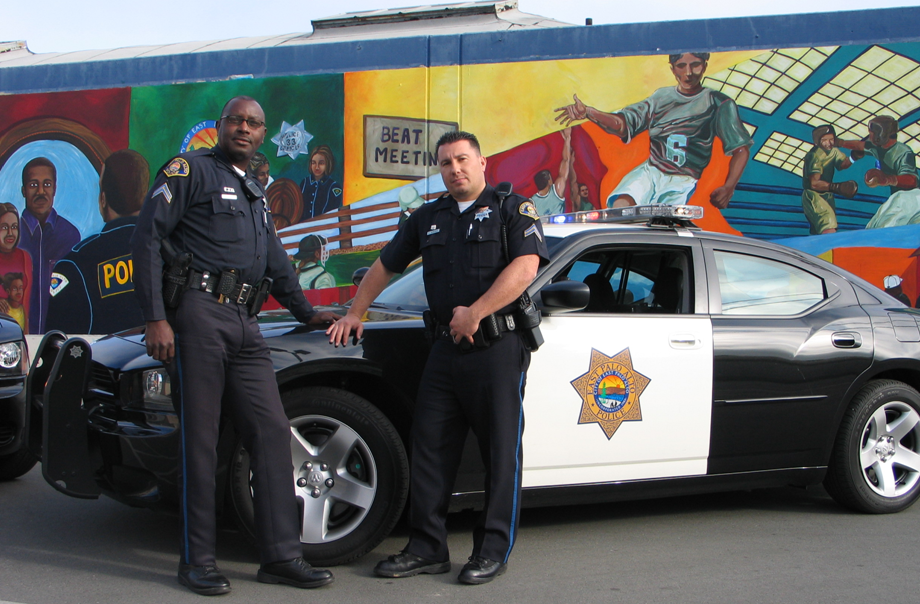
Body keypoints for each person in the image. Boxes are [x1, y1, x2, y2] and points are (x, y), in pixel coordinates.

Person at [131, 96, 339, 596]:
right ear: (221, 127)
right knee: (201, 441)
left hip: (246, 323)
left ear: (263, 134)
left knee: (271, 433)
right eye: (235, 121)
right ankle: (197, 562)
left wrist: (304, 311)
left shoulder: (255, 189)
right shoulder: (190, 170)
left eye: (253, 123)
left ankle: (281, 556)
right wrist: (156, 318)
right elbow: (148, 238)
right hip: (198, 315)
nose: (243, 128)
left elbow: (275, 259)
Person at [328, 130, 549, 585]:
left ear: (482, 161)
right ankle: (428, 547)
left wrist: (477, 312)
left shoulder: (512, 209)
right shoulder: (428, 217)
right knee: (428, 449)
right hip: (445, 353)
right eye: (446, 163)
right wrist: (355, 311)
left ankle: (491, 551)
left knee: (500, 453)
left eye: (463, 159)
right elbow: (386, 264)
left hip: (496, 350)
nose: (455, 169)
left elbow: (526, 267)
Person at [555, 52, 753, 209]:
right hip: (651, 170)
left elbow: (741, 149)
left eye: (695, 65)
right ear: (673, 69)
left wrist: (729, 187)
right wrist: (589, 112)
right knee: (621, 207)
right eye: (681, 66)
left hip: (683, 179)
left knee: (661, 227)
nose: (688, 73)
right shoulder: (661, 97)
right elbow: (623, 124)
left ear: (705, 66)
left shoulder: (717, 102)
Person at [46, 149, 149, 334]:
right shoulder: (175, 251)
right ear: (146, 197)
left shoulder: (74, 265)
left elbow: (57, 344)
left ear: (103, 199)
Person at [19, 157, 81, 334]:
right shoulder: (12, 235)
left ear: (54, 189)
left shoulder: (70, 235)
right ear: (23, 191)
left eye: (47, 184)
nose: (41, 191)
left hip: (59, 334)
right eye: (33, 185)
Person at [837, 116, 920, 229]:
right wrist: (838, 142)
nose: (869, 135)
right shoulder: (878, 148)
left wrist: (887, 179)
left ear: (880, 134)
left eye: (871, 132)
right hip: (897, 199)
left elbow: (912, 180)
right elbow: (858, 145)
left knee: (885, 228)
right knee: (872, 227)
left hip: (911, 199)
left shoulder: (903, 152)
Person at [801, 125, 856, 235]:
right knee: (828, 226)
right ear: (817, 141)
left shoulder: (834, 151)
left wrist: (854, 157)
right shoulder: (814, 155)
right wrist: (837, 187)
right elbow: (814, 184)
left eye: (831, 139)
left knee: (819, 231)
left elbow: (842, 164)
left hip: (828, 195)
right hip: (814, 196)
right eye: (825, 140)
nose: (829, 143)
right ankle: (831, 250)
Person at [0, 204, 32, 332]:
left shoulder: (24, 257)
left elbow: (25, 303)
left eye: (14, 227)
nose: (10, 233)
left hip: (17, 329)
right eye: (4, 227)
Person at [531, 128, 572, 216]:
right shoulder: (556, 191)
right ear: (549, 181)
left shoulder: (532, 201)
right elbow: (566, 160)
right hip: (557, 228)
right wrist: (567, 138)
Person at [299, 145, 342, 220]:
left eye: (321, 163)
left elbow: (332, 214)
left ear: (328, 164)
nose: (317, 167)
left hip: (323, 229)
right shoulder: (305, 182)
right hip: (303, 228)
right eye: (313, 163)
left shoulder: (334, 187)